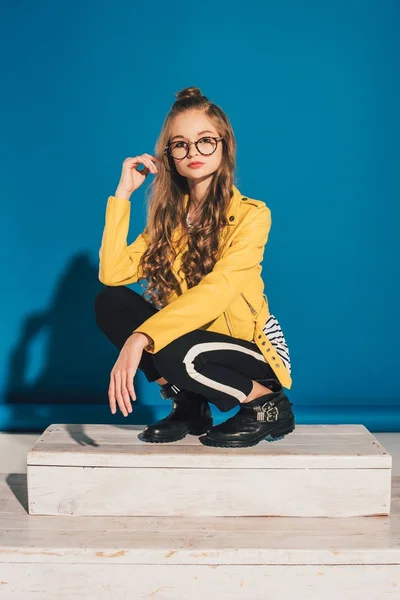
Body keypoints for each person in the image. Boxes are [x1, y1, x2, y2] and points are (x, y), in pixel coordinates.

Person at [94, 86, 295, 448]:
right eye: (181, 144)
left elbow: (217, 291)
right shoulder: (170, 223)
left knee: (166, 345)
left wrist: (141, 338)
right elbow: (112, 272)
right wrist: (122, 195)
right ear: (170, 155)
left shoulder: (252, 215)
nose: (193, 152)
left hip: (248, 351)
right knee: (111, 303)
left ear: (223, 145)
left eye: (205, 141)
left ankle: (267, 403)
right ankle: (190, 406)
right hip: (188, 347)